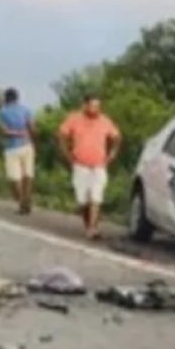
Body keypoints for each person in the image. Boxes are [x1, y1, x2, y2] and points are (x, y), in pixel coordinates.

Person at [57, 94, 121, 241]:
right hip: (80, 165)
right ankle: (89, 225)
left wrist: (112, 154)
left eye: (97, 106)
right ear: (84, 105)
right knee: (83, 200)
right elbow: (61, 135)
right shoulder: (74, 118)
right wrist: (67, 155)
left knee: (96, 197)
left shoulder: (105, 121)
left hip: (98, 165)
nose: (95, 109)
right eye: (92, 106)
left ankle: (93, 228)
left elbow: (117, 137)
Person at [0, 88, 36, 215]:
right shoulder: (26, 110)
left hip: (12, 148)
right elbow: (31, 127)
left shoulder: (2, 112)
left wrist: (16, 133)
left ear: (5, 98)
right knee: (28, 176)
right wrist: (32, 141)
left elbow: (4, 131)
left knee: (14, 178)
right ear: (17, 98)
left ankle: (22, 203)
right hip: (27, 145)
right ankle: (26, 200)